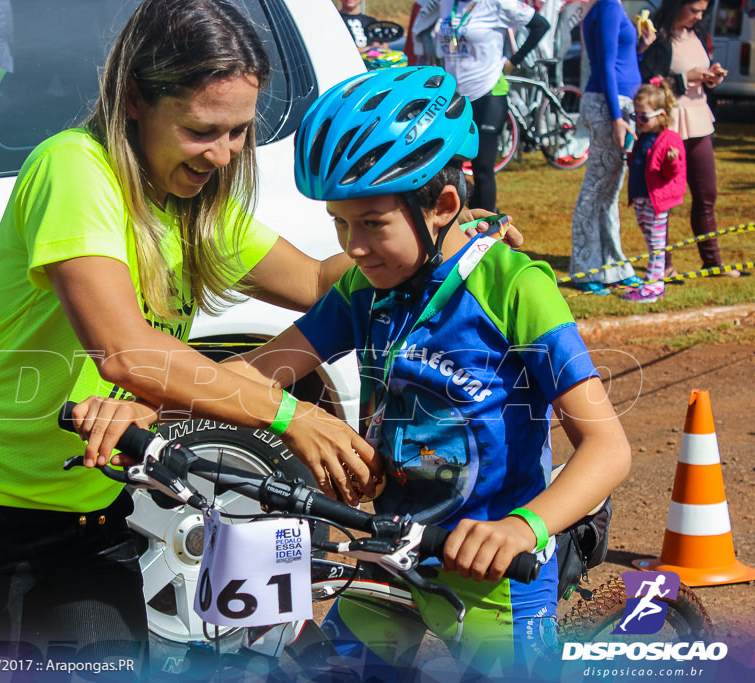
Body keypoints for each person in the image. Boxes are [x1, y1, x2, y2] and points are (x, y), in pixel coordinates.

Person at [76, 66, 631, 678]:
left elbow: (607, 447)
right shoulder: (364, 290)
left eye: (371, 223)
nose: (354, 246)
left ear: (443, 206)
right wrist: (147, 412)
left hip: (493, 572)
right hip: (385, 550)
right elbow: (257, 374)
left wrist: (525, 528)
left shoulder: (516, 289)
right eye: (341, 224)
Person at [0, 0, 382, 665]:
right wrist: (287, 412)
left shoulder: (193, 206)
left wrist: (439, 242)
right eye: (204, 130)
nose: (225, 154)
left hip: (90, 515)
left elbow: (324, 280)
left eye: (239, 132)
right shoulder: (75, 169)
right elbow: (124, 351)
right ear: (137, 99)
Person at [639, 0, 743, 277]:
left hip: (698, 120)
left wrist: (710, 78)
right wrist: (686, 78)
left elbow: (697, 72)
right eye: (694, 10)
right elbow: (650, 82)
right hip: (670, 124)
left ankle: (712, 263)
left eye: (702, 11)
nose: (699, 16)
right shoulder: (657, 37)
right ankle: (665, 265)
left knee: (706, 194)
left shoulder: (695, 33)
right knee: (665, 197)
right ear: (677, 5)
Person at [418, 0, 549, 212]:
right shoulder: (446, 4)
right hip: (455, 96)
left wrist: (514, 61)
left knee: (482, 169)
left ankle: (487, 231)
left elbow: (540, 25)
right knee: (451, 168)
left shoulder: (497, 3)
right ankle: (456, 228)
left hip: (487, 92)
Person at [568, 0, 643, 295]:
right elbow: (607, 66)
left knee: (608, 192)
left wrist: (642, 46)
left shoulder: (604, 7)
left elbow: (614, 59)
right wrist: (616, 118)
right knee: (596, 189)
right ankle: (587, 268)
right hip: (610, 106)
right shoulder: (608, 6)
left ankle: (612, 265)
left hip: (613, 103)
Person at [623, 80, 686, 303]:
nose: (639, 120)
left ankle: (653, 287)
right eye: (636, 116)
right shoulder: (642, 137)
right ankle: (653, 283)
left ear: (661, 115)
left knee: (657, 246)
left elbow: (674, 172)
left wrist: (672, 161)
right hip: (641, 198)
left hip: (656, 200)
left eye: (644, 116)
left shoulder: (669, 139)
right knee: (651, 243)